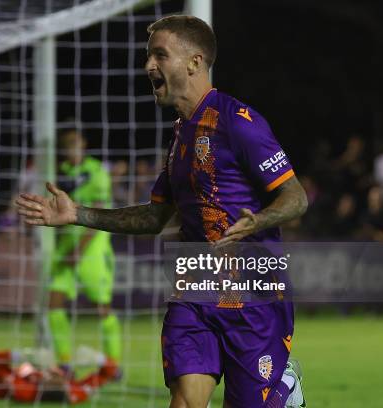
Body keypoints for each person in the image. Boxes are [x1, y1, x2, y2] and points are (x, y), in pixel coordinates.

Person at [17, 15, 308, 408]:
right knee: (185, 401)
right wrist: (78, 214)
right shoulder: (181, 135)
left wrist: (260, 220)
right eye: (148, 55)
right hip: (196, 285)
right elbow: (155, 216)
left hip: (253, 292)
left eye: (159, 54)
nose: (148, 66)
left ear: (194, 61)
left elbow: (295, 197)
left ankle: (283, 389)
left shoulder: (240, 123)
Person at [48, 128, 121, 377]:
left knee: (102, 308)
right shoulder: (60, 172)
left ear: (83, 144)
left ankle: (113, 365)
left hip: (93, 248)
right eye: (66, 144)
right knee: (54, 303)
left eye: (75, 143)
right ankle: (65, 364)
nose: (71, 148)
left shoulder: (97, 171)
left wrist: (80, 250)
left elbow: (99, 213)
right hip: (66, 248)